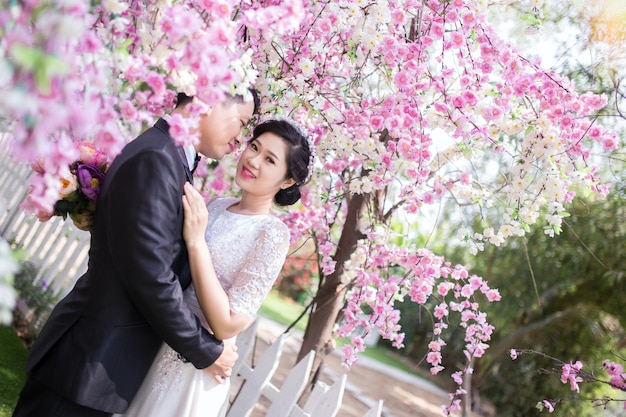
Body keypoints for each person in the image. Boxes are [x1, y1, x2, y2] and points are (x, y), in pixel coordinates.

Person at [12, 89, 261, 417]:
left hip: (96, 366)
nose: (238, 139)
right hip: (85, 363)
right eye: (240, 123)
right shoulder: (157, 158)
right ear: (209, 101)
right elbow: (150, 275)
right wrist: (206, 350)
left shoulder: (167, 156)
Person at [117, 117, 316, 417]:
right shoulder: (217, 206)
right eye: (254, 147)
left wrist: (197, 242)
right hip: (161, 338)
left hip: (195, 367)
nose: (253, 160)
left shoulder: (272, 234)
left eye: (270, 159)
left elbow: (228, 322)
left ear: (287, 181)